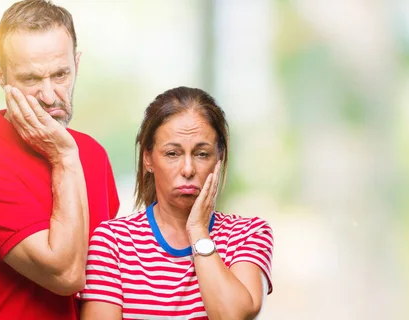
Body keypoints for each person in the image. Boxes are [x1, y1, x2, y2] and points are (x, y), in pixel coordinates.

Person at [0, 1, 120, 319]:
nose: (50, 96)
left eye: (61, 74)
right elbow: (67, 276)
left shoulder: (93, 154)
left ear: (76, 65)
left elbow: (104, 281)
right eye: (30, 79)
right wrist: (65, 158)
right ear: (1, 77)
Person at [79, 86, 274, 319]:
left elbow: (233, 316)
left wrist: (199, 231)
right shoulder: (114, 242)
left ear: (219, 158)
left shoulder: (248, 234)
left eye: (202, 154)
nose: (188, 169)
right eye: (172, 153)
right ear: (148, 158)